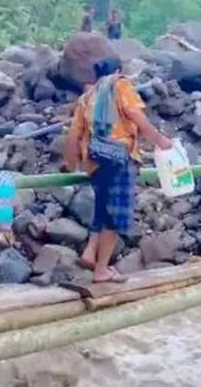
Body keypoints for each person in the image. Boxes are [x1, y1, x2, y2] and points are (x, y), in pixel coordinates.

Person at [64, 58, 171, 283]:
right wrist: (159, 140)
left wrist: (70, 164)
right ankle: (102, 270)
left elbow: (74, 135)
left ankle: (91, 255)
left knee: (103, 211)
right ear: (118, 71)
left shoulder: (87, 98)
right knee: (115, 216)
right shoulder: (120, 84)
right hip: (120, 158)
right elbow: (134, 113)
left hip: (95, 162)